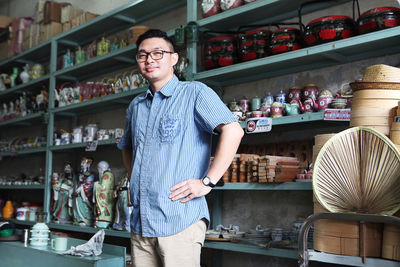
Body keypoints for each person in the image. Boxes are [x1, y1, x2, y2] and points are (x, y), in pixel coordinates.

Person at [117, 29, 244, 267]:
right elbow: (126, 146)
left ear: (174, 59)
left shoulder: (195, 93)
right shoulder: (136, 106)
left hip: (179, 220)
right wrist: (134, 176)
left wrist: (207, 182)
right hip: (141, 222)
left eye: (158, 53)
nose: (149, 60)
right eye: (142, 55)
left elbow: (234, 130)